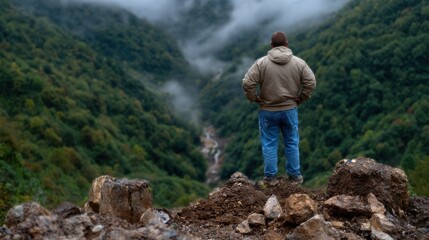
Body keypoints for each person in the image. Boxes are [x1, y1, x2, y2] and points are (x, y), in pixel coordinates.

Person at [242, 31, 316, 184]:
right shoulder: (299, 63)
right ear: (287, 44)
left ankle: (270, 178)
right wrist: (301, 98)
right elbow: (311, 82)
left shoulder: (261, 63)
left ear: (271, 45)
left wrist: (254, 98)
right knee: (291, 142)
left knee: (269, 143)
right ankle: (294, 176)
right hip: (290, 109)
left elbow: (247, 83)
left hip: (268, 110)